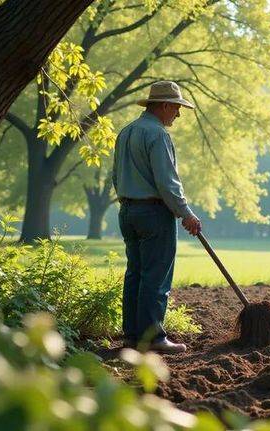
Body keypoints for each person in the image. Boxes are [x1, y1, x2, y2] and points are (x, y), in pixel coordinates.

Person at [112, 80, 202, 353]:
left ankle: (132, 337)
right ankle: (153, 338)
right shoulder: (158, 135)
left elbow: (116, 177)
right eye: (176, 108)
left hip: (127, 212)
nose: (178, 114)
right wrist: (186, 213)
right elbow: (167, 182)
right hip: (154, 213)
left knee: (135, 274)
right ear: (164, 106)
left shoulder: (126, 132)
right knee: (156, 277)